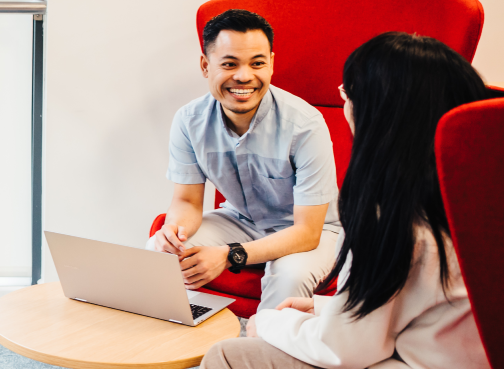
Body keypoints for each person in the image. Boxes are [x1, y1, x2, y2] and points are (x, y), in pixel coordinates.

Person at [202, 32, 494, 369]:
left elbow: (344, 350)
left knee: (229, 353)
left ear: (378, 114)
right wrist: (327, 308)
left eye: (348, 93)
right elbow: (419, 306)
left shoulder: (393, 219)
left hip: (410, 360)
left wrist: (267, 322)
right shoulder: (465, 199)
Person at [145, 9, 340, 310]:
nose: (245, 77)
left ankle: (260, 353)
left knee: (289, 275)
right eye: (230, 64)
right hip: (240, 220)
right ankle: (173, 349)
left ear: (271, 64)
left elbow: (307, 232)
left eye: (257, 63)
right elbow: (187, 202)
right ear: (205, 66)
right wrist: (175, 233)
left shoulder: (305, 125)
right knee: (160, 255)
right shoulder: (188, 121)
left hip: (315, 231)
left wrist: (229, 254)